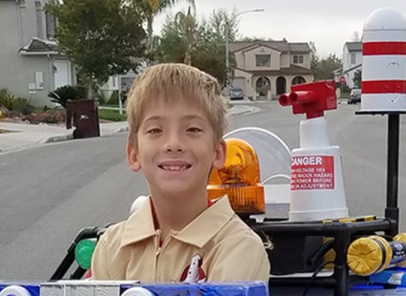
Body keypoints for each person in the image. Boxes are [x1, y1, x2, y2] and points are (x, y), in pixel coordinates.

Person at [88, 63, 271, 284]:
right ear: (134, 154)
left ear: (218, 152)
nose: (173, 144)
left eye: (192, 129)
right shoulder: (111, 247)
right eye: (155, 130)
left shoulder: (238, 247)